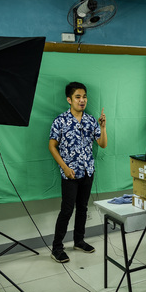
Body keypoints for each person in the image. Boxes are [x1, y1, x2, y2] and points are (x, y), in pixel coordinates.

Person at [48, 82, 108, 263]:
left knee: (83, 208)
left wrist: (103, 127)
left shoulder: (91, 120)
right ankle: (57, 248)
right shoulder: (60, 121)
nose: (82, 101)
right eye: (78, 97)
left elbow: (102, 144)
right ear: (69, 100)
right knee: (67, 210)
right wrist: (65, 168)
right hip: (70, 174)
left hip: (87, 171)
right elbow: (52, 146)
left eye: (84, 97)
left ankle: (79, 240)